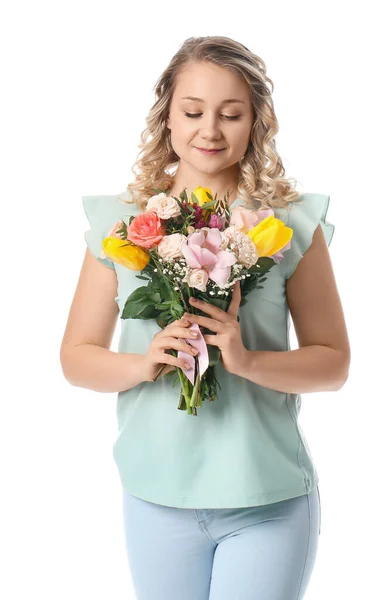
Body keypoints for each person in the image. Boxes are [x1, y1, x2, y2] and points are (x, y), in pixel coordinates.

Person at [60, 36, 350, 600]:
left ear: (256, 123)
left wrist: (244, 360)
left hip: (266, 499)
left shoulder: (286, 227)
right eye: (193, 112)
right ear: (166, 116)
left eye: (231, 114)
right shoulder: (123, 226)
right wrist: (145, 363)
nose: (210, 131)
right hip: (155, 496)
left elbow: (333, 364)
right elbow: (76, 358)